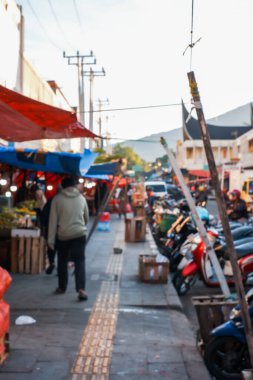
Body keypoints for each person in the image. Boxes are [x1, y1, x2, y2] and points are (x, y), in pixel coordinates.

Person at [48, 176, 89, 301]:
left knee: (62, 261)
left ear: (63, 186)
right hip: (79, 234)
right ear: (75, 186)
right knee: (79, 261)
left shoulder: (57, 199)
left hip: (63, 235)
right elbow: (86, 217)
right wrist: (81, 226)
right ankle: (81, 289)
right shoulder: (82, 198)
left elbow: (53, 221)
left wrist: (50, 240)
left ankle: (62, 287)